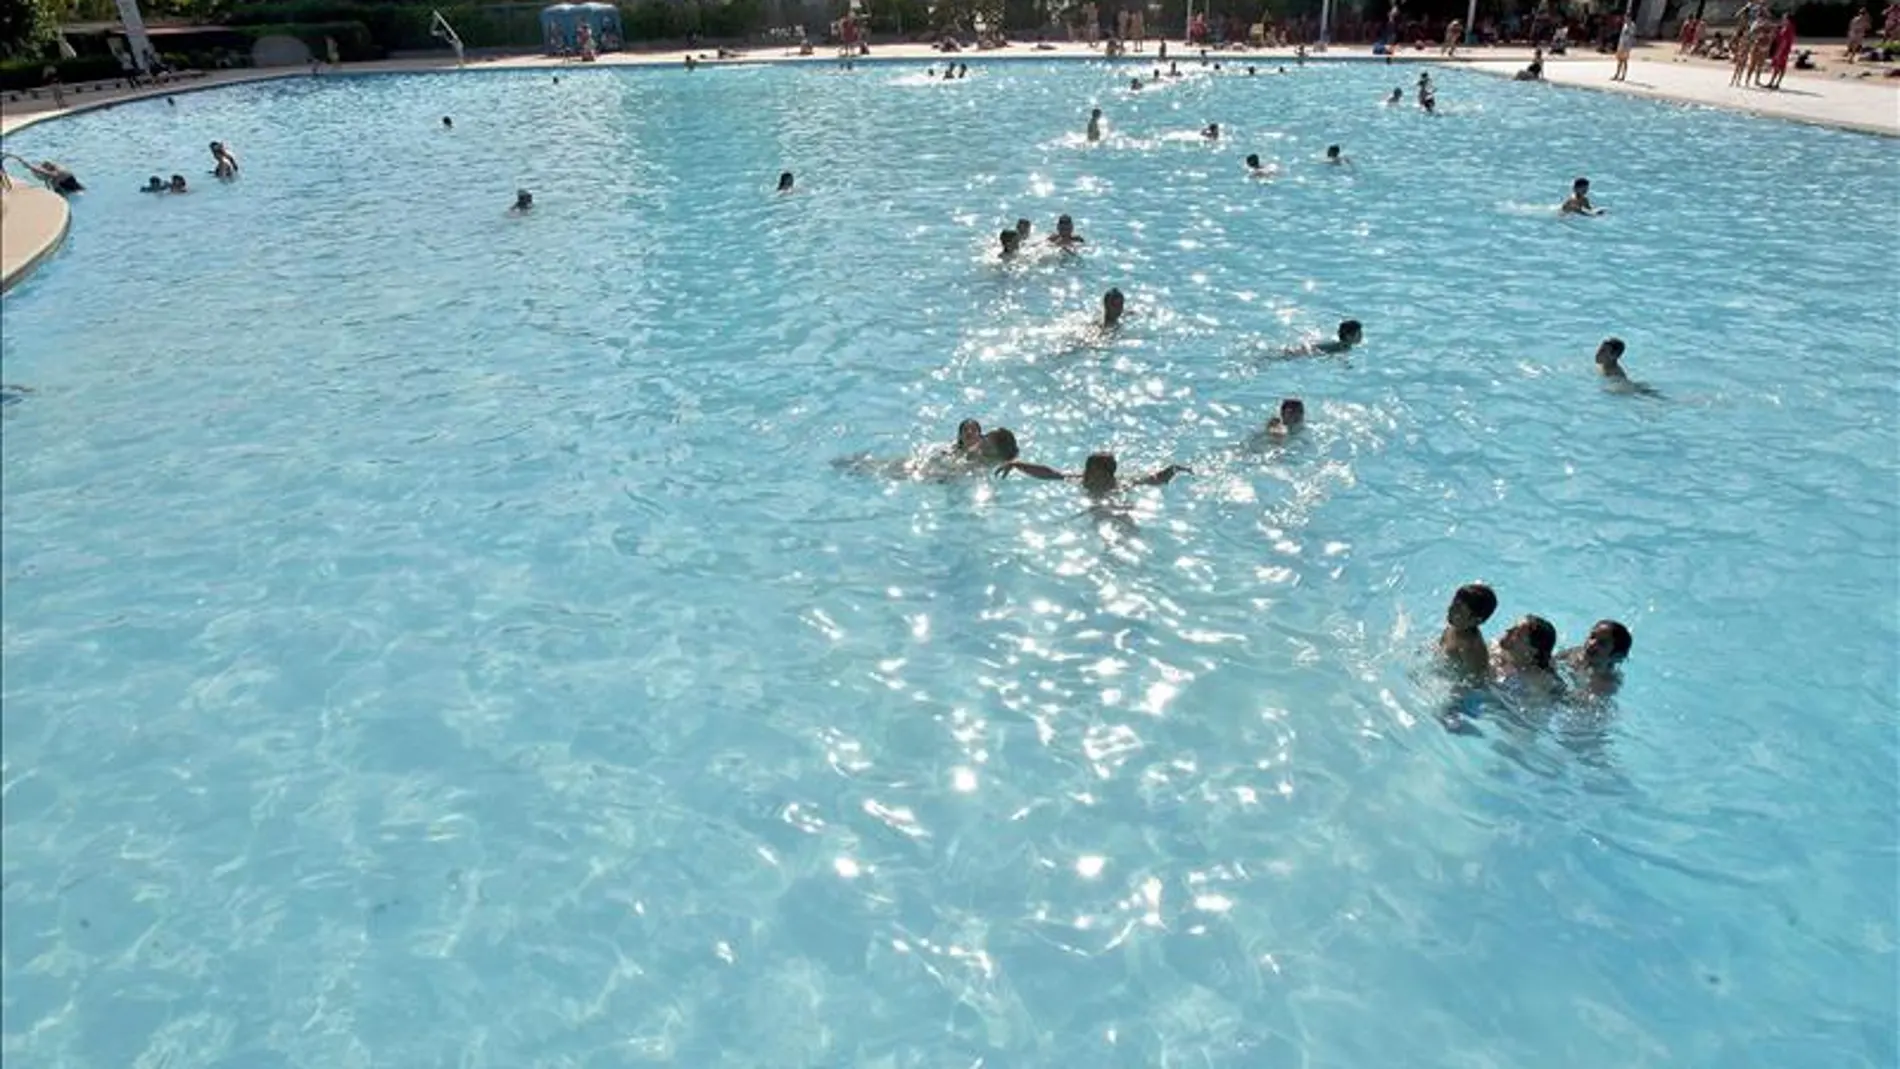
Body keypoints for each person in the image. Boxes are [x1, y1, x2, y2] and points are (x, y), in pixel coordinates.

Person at [996, 452, 1190, 497]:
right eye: (1087, 470)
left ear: (1108, 475)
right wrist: (1017, 464)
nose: (1087, 475)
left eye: (1093, 473)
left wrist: (1176, 469)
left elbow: (1157, 479)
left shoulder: (1121, 484)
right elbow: (1050, 474)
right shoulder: (1082, 480)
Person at [1439, 582, 1499, 679]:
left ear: (1475, 620)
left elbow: (1476, 683)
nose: (1450, 609)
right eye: (1453, 604)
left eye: (1459, 609)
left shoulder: (1471, 648)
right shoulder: (1454, 626)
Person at [1560, 620, 1633, 698]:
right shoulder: (1572, 654)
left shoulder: (1607, 682)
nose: (1591, 644)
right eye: (1592, 637)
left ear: (1615, 655)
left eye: (1602, 643)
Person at [1494, 614, 1561, 689]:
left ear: (1532, 651)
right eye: (1513, 627)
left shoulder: (1536, 684)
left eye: (1517, 635)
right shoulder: (1498, 649)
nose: (1508, 631)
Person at [1593, 337, 1659, 395]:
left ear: (1614, 356)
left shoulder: (1616, 375)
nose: (1598, 353)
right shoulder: (1602, 366)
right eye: (1599, 349)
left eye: (1603, 351)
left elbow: (1621, 389)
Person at [1766, 14, 1795, 89]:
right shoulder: (1786, 27)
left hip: (1782, 50)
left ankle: (1773, 83)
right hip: (1783, 50)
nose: (1783, 19)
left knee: (1778, 67)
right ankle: (1776, 83)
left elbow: (1784, 41)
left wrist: (1778, 53)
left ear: (1788, 19)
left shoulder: (1787, 28)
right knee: (1781, 67)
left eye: (1784, 18)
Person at [1613, 16, 1636, 80]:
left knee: (1624, 61)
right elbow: (1622, 35)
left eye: (1627, 18)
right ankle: (1617, 74)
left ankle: (1623, 76)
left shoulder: (1632, 25)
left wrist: (1628, 47)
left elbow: (1631, 35)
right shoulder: (1625, 25)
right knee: (1619, 61)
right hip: (1622, 44)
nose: (1626, 19)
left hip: (1627, 46)